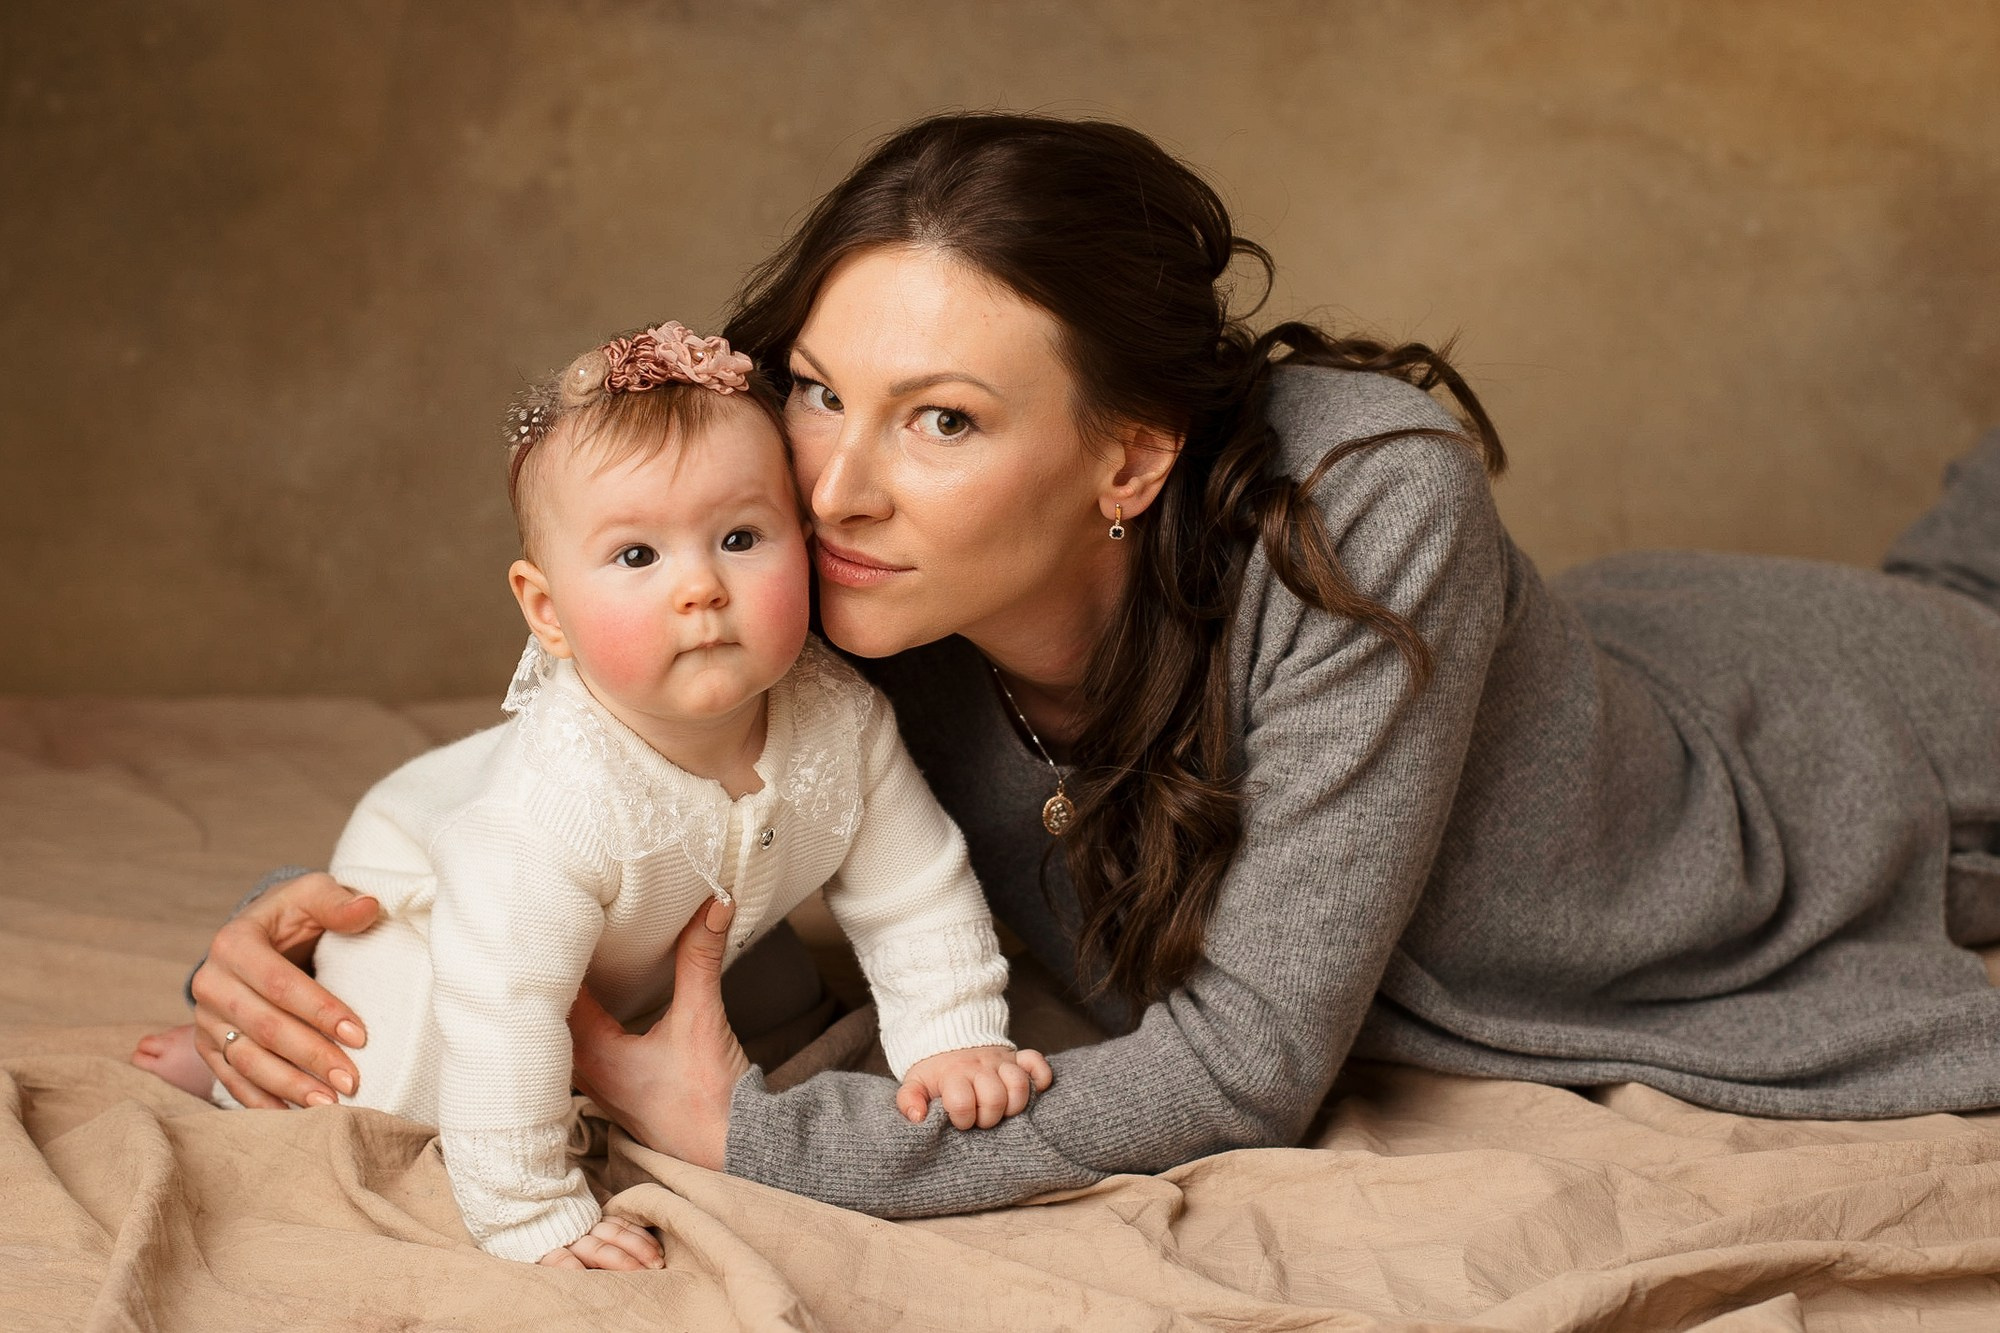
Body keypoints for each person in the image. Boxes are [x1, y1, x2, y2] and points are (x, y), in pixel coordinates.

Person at [165, 113, 2000, 1221]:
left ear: (1129, 458)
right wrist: (347, 917)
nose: (839, 479)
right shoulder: (820, 556)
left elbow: (1252, 1059)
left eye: (943, 418)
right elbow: (614, 772)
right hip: (1588, 648)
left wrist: (763, 1136)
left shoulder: (1367, 505)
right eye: (817, 388)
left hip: (1823, 742)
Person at [132, 318, 1052, 1261]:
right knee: (404, 1077)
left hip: (665, 928)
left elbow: (914, 886)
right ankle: (219, 1069)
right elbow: (506, 1011)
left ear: (802, 539)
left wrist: (951, 1037)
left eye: (740, 536)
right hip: (434, 896)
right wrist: (532, 1214)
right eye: (638, 557)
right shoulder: (554, 808)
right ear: (547, 610)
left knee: (784, 1010)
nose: (700, 587)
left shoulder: (843, 719)